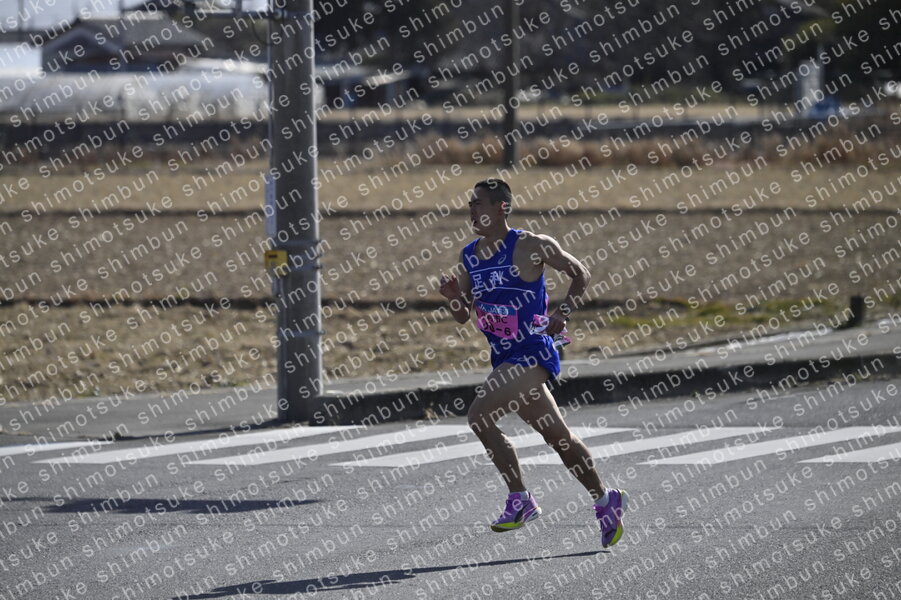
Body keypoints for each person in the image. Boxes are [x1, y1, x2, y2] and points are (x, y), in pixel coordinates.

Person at [438, 178, 629, 548]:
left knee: (479, 416)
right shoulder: (469, 256)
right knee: (558, 437)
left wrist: (564, 312)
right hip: (504, 357)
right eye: (470, 204)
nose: (471, 209)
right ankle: (606, 499)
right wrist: (453, 297)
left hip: (532, 351)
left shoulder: (531, 245)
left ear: (501, 208)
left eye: (478, 203)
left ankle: (520, 499)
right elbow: (463, 315)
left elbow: (580, 273)